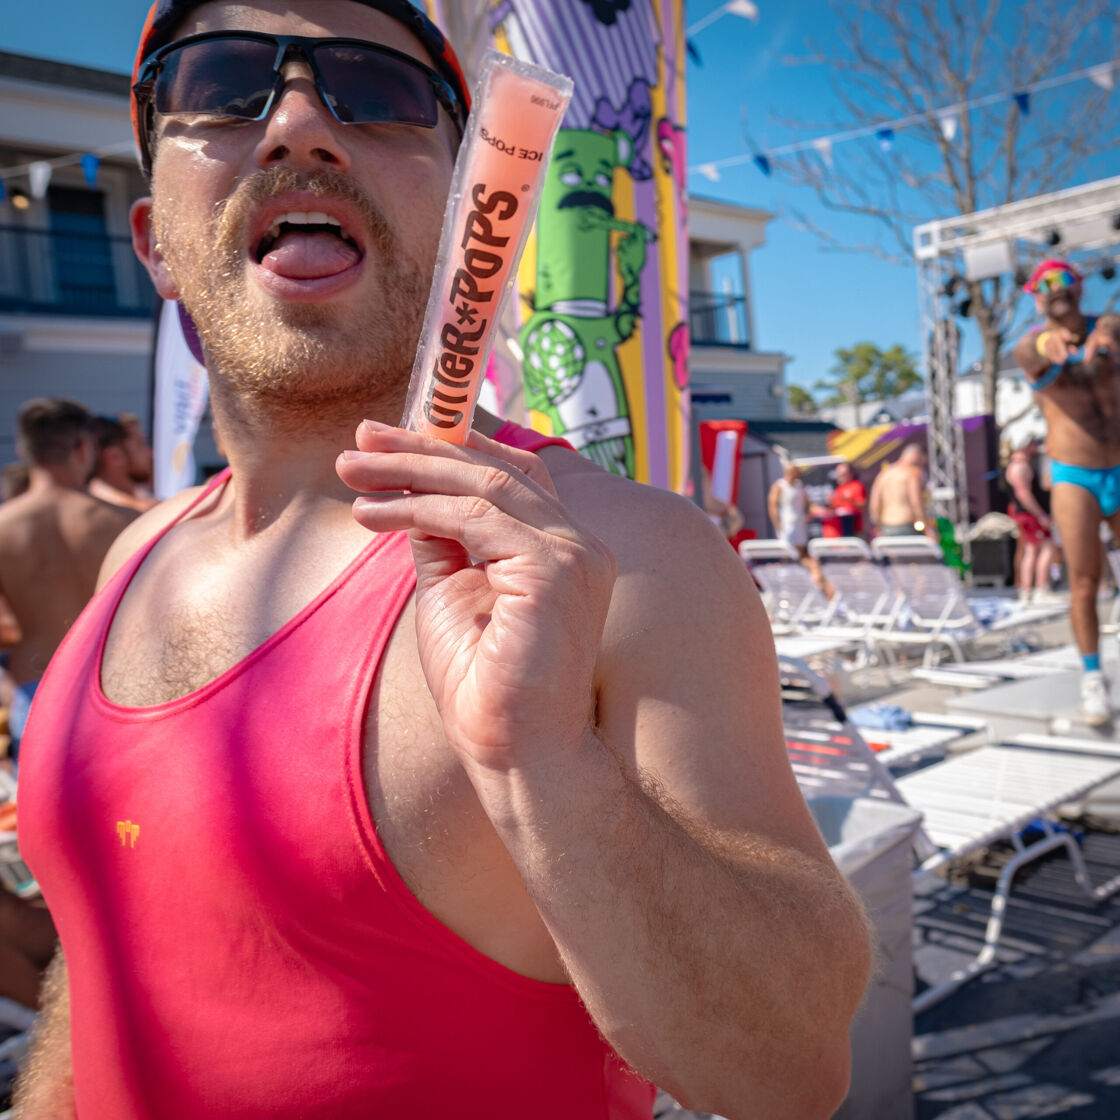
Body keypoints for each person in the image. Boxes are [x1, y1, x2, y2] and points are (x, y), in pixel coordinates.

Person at [13, 4, 870, 1118]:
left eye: (379, 92)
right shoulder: (132, 555)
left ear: (475, 216)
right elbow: (100, 965)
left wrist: (545, 763)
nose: (300, 124)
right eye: (222, 83)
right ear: (152, 243)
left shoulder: (621, 558)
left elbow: (793, 1067)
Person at [1012, 258, 1120, 726]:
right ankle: (1093, 678)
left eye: (1066, 281)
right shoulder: (1034, 346)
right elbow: (1027, 349)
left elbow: (1112, 326)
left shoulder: (1109, 329)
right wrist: (1042, 339)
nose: (1058, 290)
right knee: (1083, 582)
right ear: (1036, 297)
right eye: (1047, 286)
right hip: (1075, 471)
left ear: (1080, 287)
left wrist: (1108, 336)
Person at [0, 399, 137, 761]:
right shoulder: (125, 521)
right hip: (110, 685)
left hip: (36, 681)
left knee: (39, 813)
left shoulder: (4, 527)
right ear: (83, 447)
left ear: (23, 450)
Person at [1004, 438, 1057, 603]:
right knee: (1047, 548)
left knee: (1031, 550)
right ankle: (1040, 589)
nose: (1036, 446)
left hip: (1026, 514)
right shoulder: (1020, 467)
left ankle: (1027, 590)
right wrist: (1040, 514)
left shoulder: (1021, 464)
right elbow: (1023, 494)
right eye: (1032, 443)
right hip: (1030, 514)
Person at [768, 459, 827, 591]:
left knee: (800, 556)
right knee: (789, 556)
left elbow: (808, 504)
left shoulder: (799, 485)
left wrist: (818, 511)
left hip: (799, 525)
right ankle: (788, 586)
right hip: (787, 526)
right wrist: (779, 527)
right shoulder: (779, 486)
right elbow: (772, 507)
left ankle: (803, 584)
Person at [88, 414, 159, 512]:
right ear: (113, 456)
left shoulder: (143, 495)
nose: (151, 454)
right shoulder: (102, 511)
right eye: (140, 445)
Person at [868, 444, 932, 538]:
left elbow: (874, 505)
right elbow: (916, 502)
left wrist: (879, 528)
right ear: (917, 456)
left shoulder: (884, 474)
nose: (922, 466)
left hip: (887, 526)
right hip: (908, 525)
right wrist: (928, 528)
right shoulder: (913, 472)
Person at [826, 461, 867, 538]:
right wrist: (830, 502)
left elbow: (862, 505)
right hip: (840, 530)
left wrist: (849, 500)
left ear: (850, 474)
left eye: (843, 474)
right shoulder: (838, 489)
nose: (841, 477)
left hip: (855, 528)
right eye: (839, 475)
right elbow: (835, 508)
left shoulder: (857, 486)